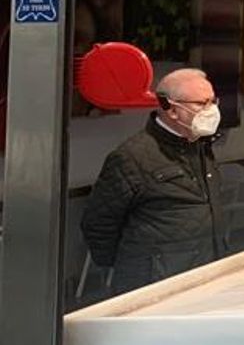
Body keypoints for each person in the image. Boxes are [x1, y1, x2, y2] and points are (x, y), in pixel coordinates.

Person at [80, 68, 227, 294]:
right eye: (202, 103)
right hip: (155, 283)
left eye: (213, 101)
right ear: (171, 109)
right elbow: (98, 223)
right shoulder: (132, 156)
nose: (211, 110)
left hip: (204, 275)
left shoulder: (200, 147)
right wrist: (137, 266)